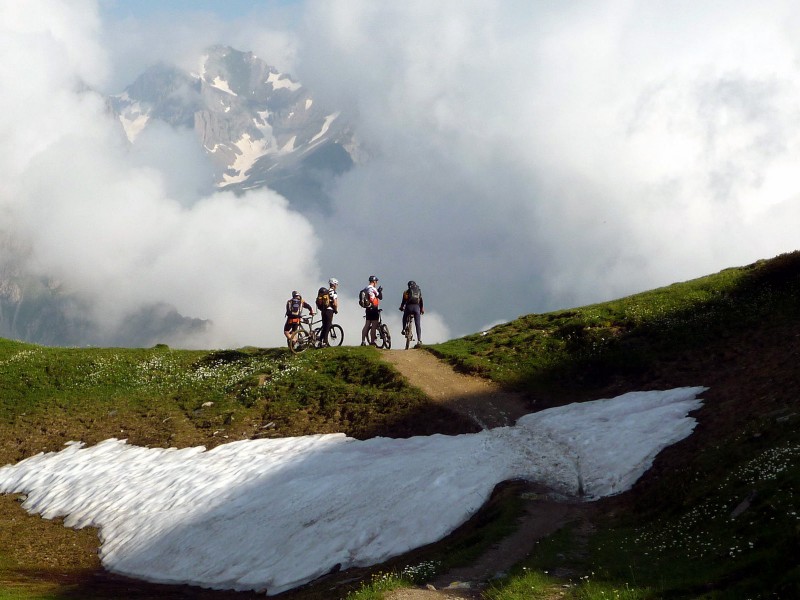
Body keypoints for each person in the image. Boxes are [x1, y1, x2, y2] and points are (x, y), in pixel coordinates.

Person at [399, 280, 424, 348]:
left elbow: (403, 301)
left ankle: (404, 329)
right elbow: (421, 301)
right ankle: (419, 340)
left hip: (408, 308)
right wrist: (421, 309)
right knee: (417, 324)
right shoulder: (418, 291)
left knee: (404, 317)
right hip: (417, 308)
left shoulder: (406, 292)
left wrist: (401, 307)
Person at [316, 278, 339, 347]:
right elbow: (335, 303)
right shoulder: (333, 292)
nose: (337, 286)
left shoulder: (326, 291)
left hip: (323, 310)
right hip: (329, 310)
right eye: (336, 284)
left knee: (324, 326)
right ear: (334, 284)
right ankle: (325, 342)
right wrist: (335, 309)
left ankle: (320, 341)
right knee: (328, 326)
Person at [360, 275, 383, 346]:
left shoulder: (365, 288)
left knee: (366, 325)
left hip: (368, 308)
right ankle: (372, 342)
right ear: (374, 281)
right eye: (376, 281)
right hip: (374, 308)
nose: (376, 283)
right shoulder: (373, 289)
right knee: (374, 326)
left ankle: (363, 341)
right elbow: (380, 297)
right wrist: (380, 291)